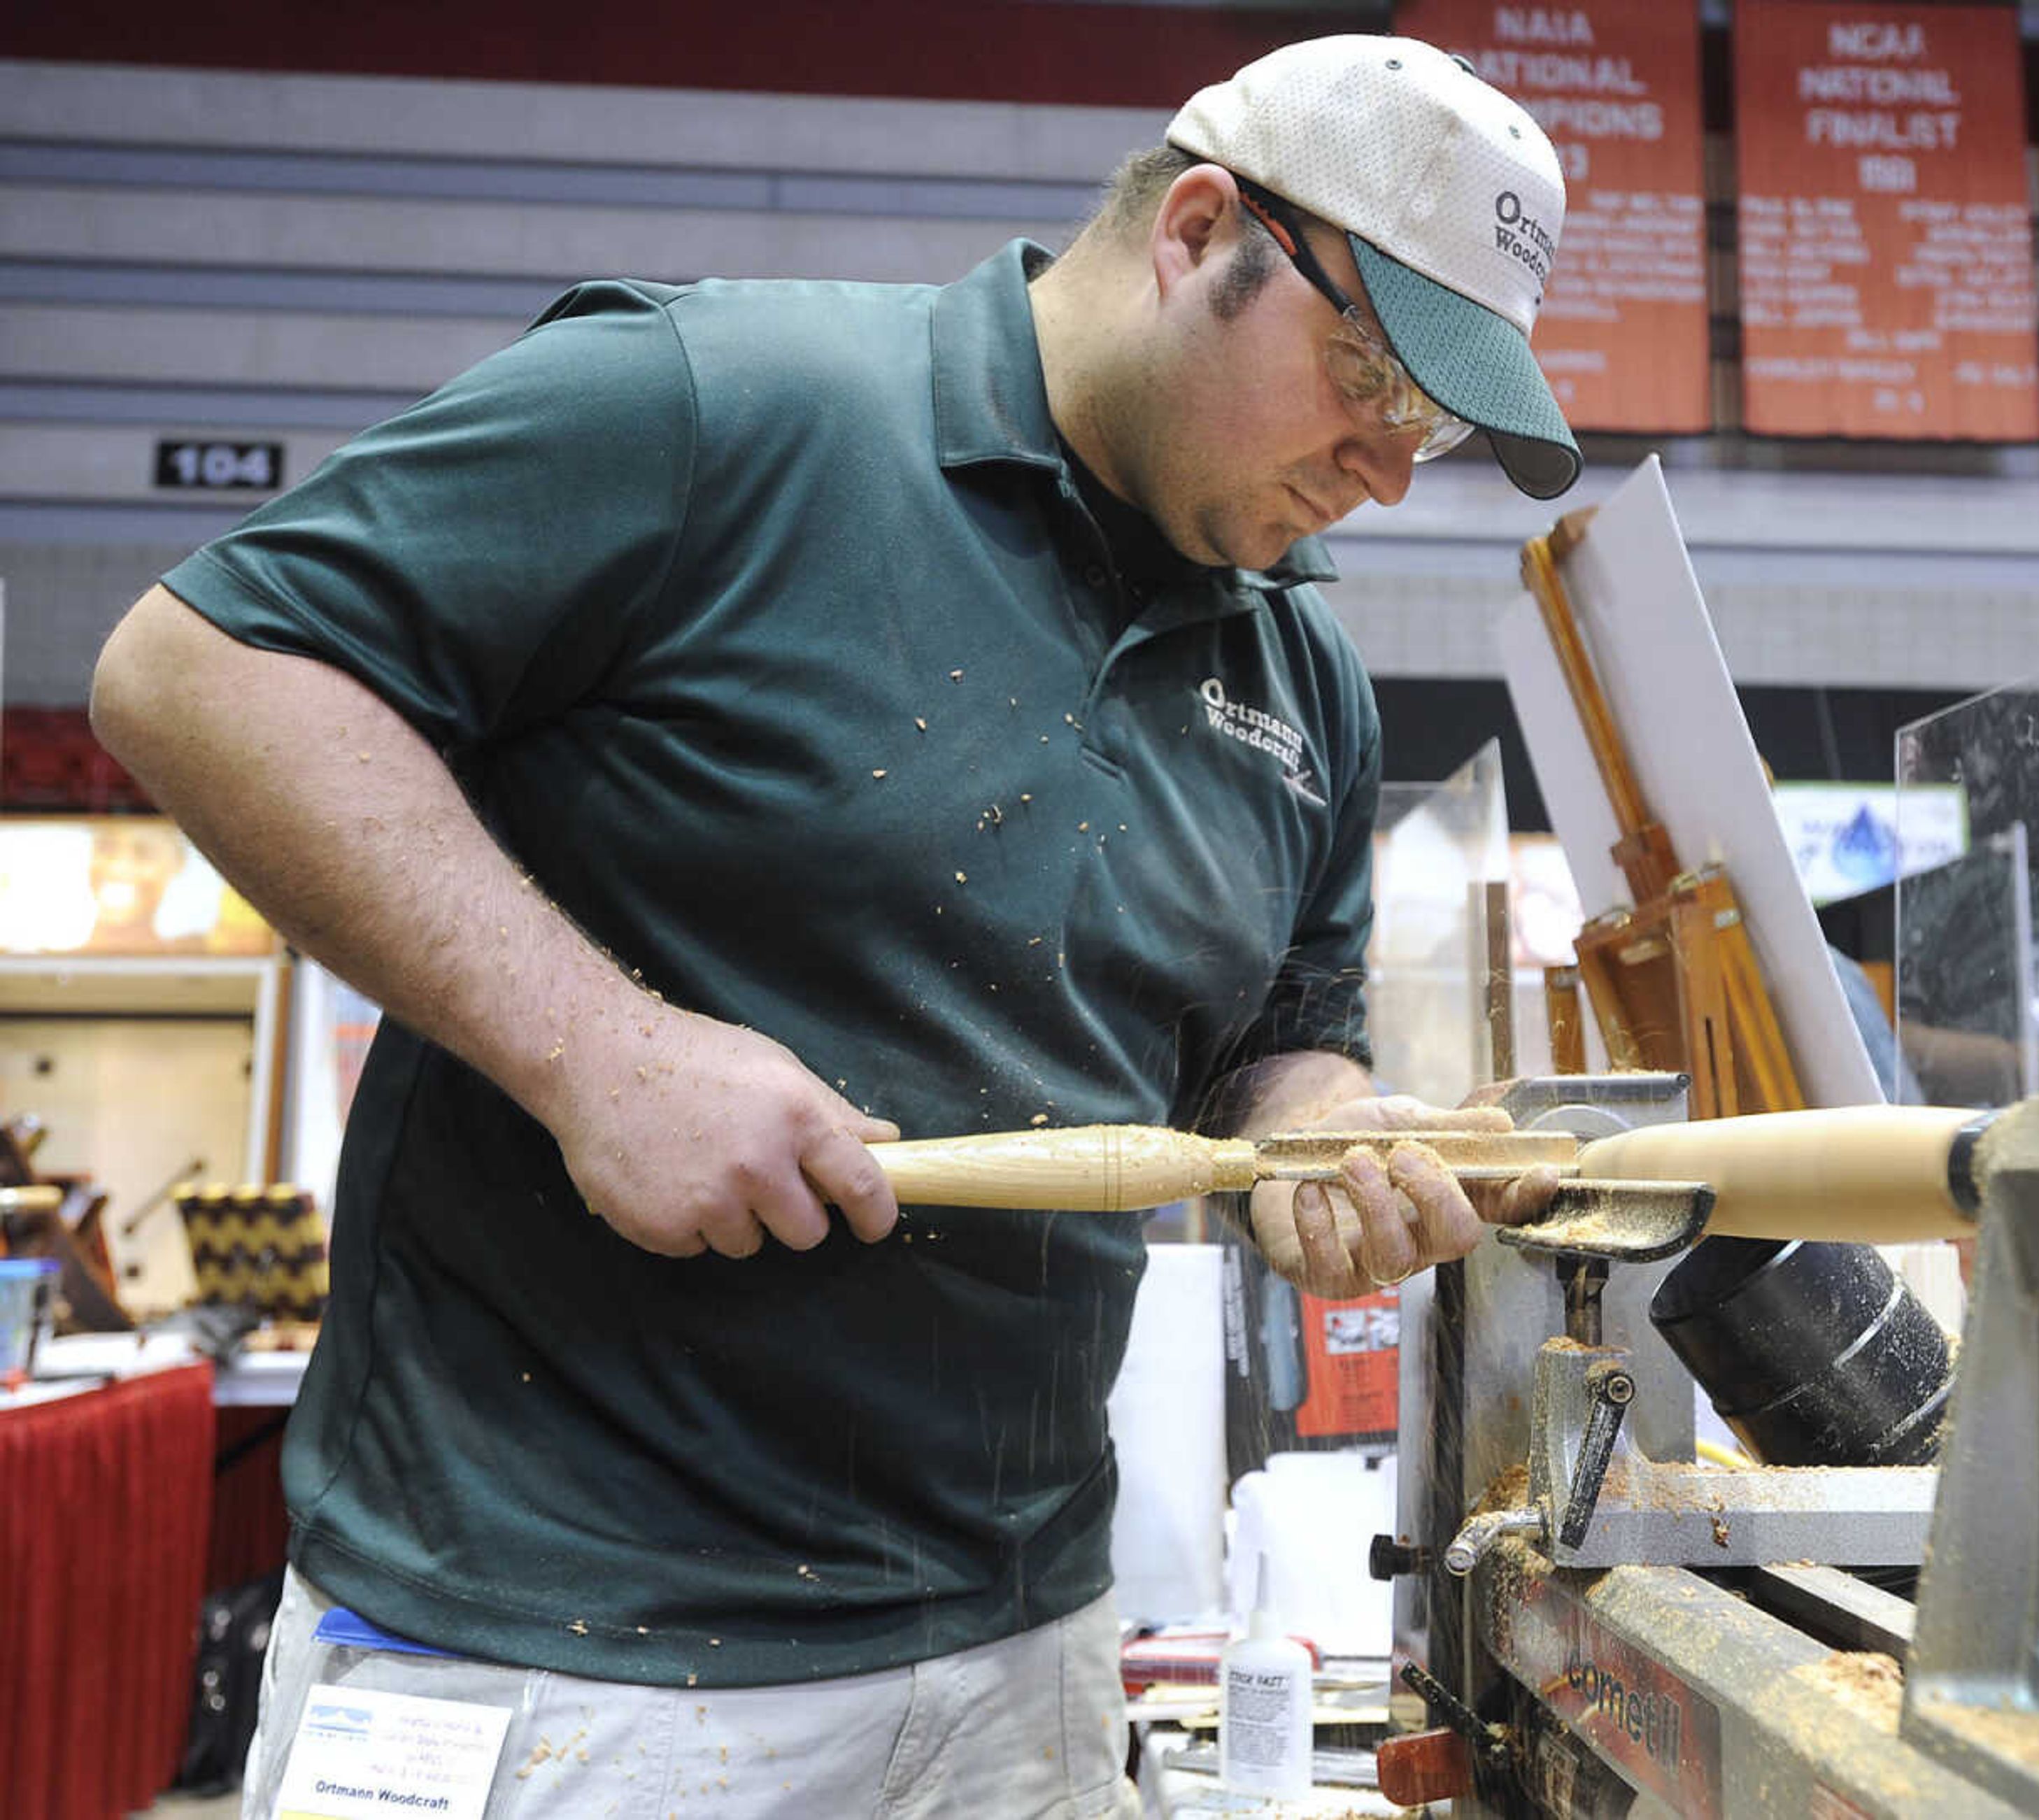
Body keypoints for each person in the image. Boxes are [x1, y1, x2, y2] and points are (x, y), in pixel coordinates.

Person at [88, 36, 1578, 1818]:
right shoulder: (719, 408)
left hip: (1023, 1655)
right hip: (568, 1647)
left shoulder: (1299, 669)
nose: (1389, 472)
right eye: (1368, 377)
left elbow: (1279, 1037)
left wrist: (1319, 1138)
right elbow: (198, 668)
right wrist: (599, 1047)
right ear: (1198, 232)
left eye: (1429, 426)